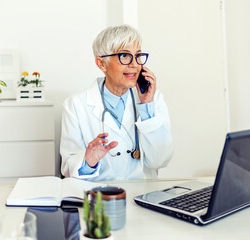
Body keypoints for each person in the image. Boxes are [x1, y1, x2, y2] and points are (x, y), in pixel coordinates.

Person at [60, 25, 173, 181]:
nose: (134, 64)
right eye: (124, 56)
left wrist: (146, 107)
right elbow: (68, 165)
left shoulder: (153, 99)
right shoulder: (75, 104)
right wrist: (88, 162)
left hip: (143, 194)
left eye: (138, 55)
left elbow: (160, 160)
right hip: (99, 196)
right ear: (101, 64)